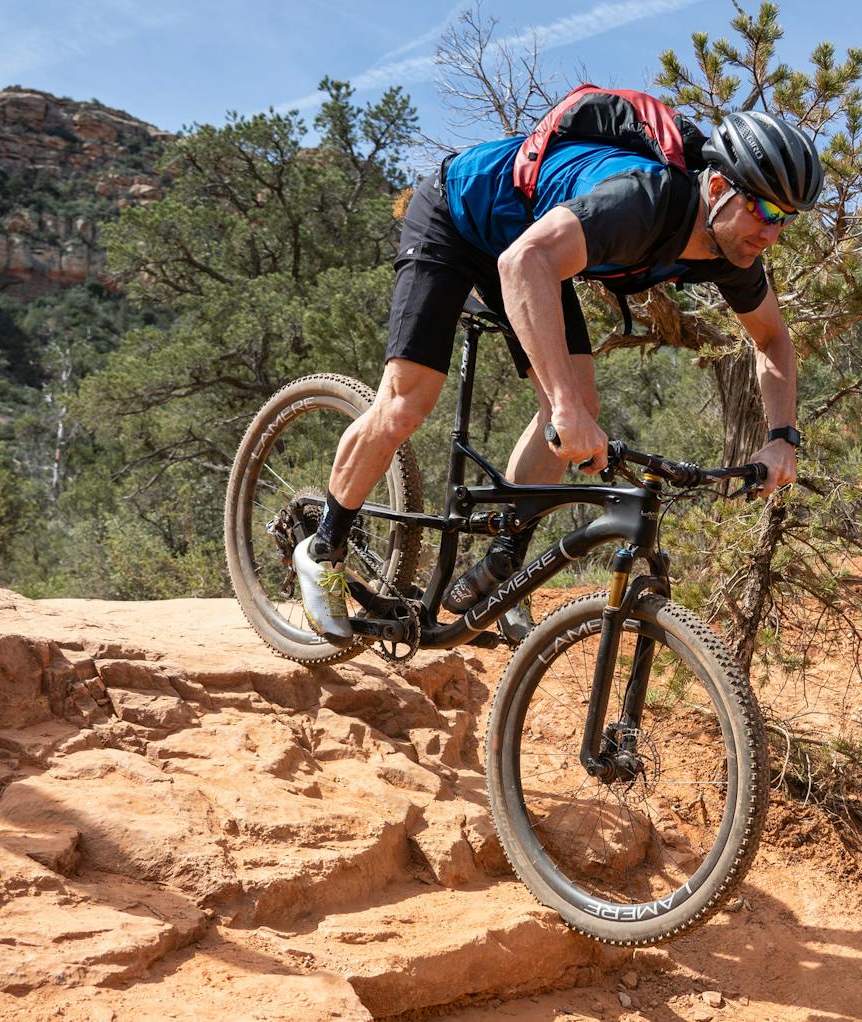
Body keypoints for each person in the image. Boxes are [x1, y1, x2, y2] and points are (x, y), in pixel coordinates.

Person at [292, 105, 825, 645]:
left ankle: (501, 565)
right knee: (409, 402)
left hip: (528, 242)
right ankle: (323, 548)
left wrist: (781, 439)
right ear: (716, 186)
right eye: (762, 207)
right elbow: (522, 264)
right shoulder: (639, 202)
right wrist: (564, 407)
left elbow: (772, 338)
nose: (771, 230)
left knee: (576, 404)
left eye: (785, 217)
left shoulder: (731, 250)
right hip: (457, 217)